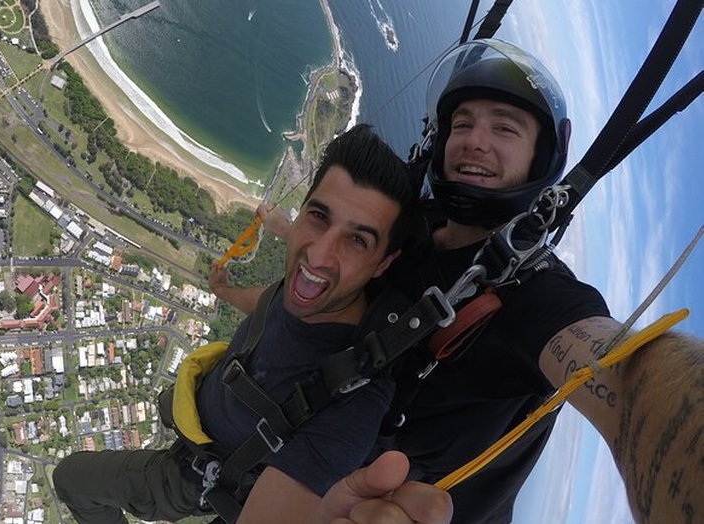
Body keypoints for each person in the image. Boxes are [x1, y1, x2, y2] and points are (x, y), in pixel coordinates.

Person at [220, 39, 703, 524]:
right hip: (302, 465)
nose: (475, 139)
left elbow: (626, 373)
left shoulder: (537, 296)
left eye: (505, 128)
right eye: (463, 123)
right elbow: (326, 299)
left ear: (539, 160)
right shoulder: (413, 230)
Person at [53, 124, 420, 524]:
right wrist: (225, 292)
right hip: (196, 420)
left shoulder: (356, 395)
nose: (318, 256)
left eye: (357, 241)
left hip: (196, 477)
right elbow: (269, 301)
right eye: (318, 216)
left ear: (384, 263)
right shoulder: (309, 290)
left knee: (72, 479)